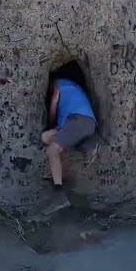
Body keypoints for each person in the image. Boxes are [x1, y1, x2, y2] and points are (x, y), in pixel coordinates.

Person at [40, 75, 97, 214]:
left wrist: (49, 120)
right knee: (45, 137)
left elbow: (53, 105)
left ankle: (59, 194)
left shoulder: (60, 84)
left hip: (78, 121)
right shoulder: (71, 92)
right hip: (84, 124)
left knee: (52, 150)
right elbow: (60, 128)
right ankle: (76, 149)